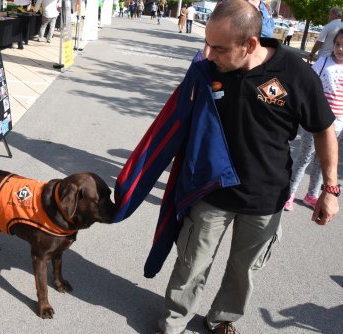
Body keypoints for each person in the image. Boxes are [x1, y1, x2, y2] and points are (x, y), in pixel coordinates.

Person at [111, 1, 340, 334]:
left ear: (249, 44)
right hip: (210, 190)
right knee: (191, 264)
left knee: (244, 270)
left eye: (218, 48)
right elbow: (172, 124)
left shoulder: (294, 72)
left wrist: (330, 189)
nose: (209, 53)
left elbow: (323, 129)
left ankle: (223, 319)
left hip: (264, 197)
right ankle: (173, 322)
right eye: (208, 43)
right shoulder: (207, 70)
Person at [285, 28, 343, 211]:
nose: (340, 49)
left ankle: (312, 195)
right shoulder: (324, 61)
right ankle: (290, 193)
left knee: (323, 161)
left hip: (338, 124)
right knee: (305, 157)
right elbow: (310, 85)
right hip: (317, 121)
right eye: (337, 44)